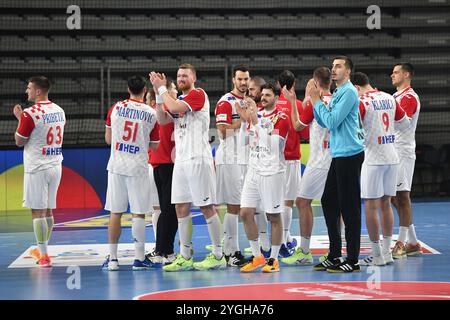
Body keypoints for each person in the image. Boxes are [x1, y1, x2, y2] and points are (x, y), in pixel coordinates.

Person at [150, 64, 226, 271]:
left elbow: (173, 109)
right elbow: (163, 119)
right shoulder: (179, 99)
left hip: (197, 159)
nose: (181, 78)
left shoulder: (198, 94)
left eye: (185, 75)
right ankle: (184, 256)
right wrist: (158, 95)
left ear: (194, 77)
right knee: (180, 207)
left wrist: (163, 88)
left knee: (206, 206)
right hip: (182, 161)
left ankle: (218, 254)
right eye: (178, 76)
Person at [311, 56, 365, 273]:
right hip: (339, 153)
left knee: (349, 207)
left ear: (349, 71)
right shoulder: (338, 92)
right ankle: (335, 254)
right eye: (332, 66)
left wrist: (316, 101)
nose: (333, 69)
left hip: (350, 155)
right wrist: (318, 104)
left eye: (338, 66)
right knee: (328, 200)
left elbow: (332, 121)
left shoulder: (350, 92)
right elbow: (325, 122)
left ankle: (353, 260)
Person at [102, 75, 160, 271]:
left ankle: (113, 260)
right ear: (145, 91)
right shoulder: (151, 113)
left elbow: (109, 139)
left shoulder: (115, 108)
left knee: (115, 212)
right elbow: (155, 145)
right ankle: (139, 258)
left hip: (117, 166)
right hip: (138, 167)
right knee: (138, 213)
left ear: (128, 89)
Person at [352, 72, 410, 266]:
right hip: (392, 157)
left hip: (373, 158)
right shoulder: (389, 97)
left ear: (357, 87)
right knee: (386, 204)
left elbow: (353, 128)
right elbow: (405, 123)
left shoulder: (361, 101)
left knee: (371, 205)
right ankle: (386, 253)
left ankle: (376, 255)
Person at [281, 67, 333, 266]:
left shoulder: (313, 103)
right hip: (336, 158)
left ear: (315, 82)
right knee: (334, 205)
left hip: (319, 161)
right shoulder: (338, 100)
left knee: (302, 202)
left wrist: (293, 101)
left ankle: (304, 251)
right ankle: (335, 248)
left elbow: (297, 126)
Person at [237, 83, 291, 273]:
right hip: (253, 170)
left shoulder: (281, 118)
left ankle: (274, 259)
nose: (264, 98)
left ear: (276, 97)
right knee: (245, 213)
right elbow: (244, 141)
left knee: (273, 216)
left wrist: (256, 121)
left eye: (268, 95)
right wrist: (246, 122)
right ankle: (257, 256)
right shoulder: (256, 114)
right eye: (263, 95)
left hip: (272, 172)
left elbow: (274, 144)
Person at [14, 76, 66, 268]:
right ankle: (44, 248)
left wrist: (20, 120)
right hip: (55, 165)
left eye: (29, 88)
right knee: (48, 209)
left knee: (37, 211)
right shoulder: (59, 110)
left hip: (37, 167)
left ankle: (43, 255)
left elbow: (20, 141)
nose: (26, 91)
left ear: (37, 91)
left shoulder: (29, 113)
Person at [214, 65, 250, 267]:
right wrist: (241, 122)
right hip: (230, 158)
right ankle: (232, 252)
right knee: (233, 204)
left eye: (246, 79)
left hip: (244, 158)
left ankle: (231, 249)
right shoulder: (226, 102)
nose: (243, 83)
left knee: (240, 204)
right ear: (234, 80)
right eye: (240, 79)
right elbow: (221, 131)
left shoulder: (247, 102)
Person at [145, 79, 179, 266]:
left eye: (171, 89)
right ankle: (165, 250)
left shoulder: (174, 109)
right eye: (172, 89)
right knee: (166, 209)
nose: (173, 92)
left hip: (169, 164)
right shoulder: (160, 112)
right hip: (161, 164)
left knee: (169, 209)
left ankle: (164, 250)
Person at [390, 63, 423, 258]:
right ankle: (413, 242)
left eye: (396, 72)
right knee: (394, 197)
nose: (392, 75)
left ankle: (401, 243)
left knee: (402, 196)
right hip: (393, 150)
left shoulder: (409, 97)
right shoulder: (395, 97)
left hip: (402, 151)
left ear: (407, 74)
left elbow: (403, 123)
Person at [275, 70, 306, 257]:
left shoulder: (269, 104)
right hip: (291, 159)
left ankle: (271, 240)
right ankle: (285, 239)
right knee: (287, 202)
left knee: (273, 201)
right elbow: (304, 134)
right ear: (293, 84)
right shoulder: (298, 105)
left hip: (272, 161)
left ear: (278, 84)